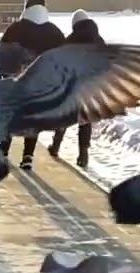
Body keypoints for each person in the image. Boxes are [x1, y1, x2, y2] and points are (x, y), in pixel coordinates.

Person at [0, 0, 64, 170]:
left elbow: (2, 54)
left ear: (26, 8)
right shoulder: (55, 32)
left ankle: (3, 151)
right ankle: (28, 155)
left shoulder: (15, 28)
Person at [49, 9, 104, 168]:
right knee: (85, 120)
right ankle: (83, 154)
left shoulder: (70, 40)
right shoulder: (99, 41)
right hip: (92, 85)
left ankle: (55, 146)